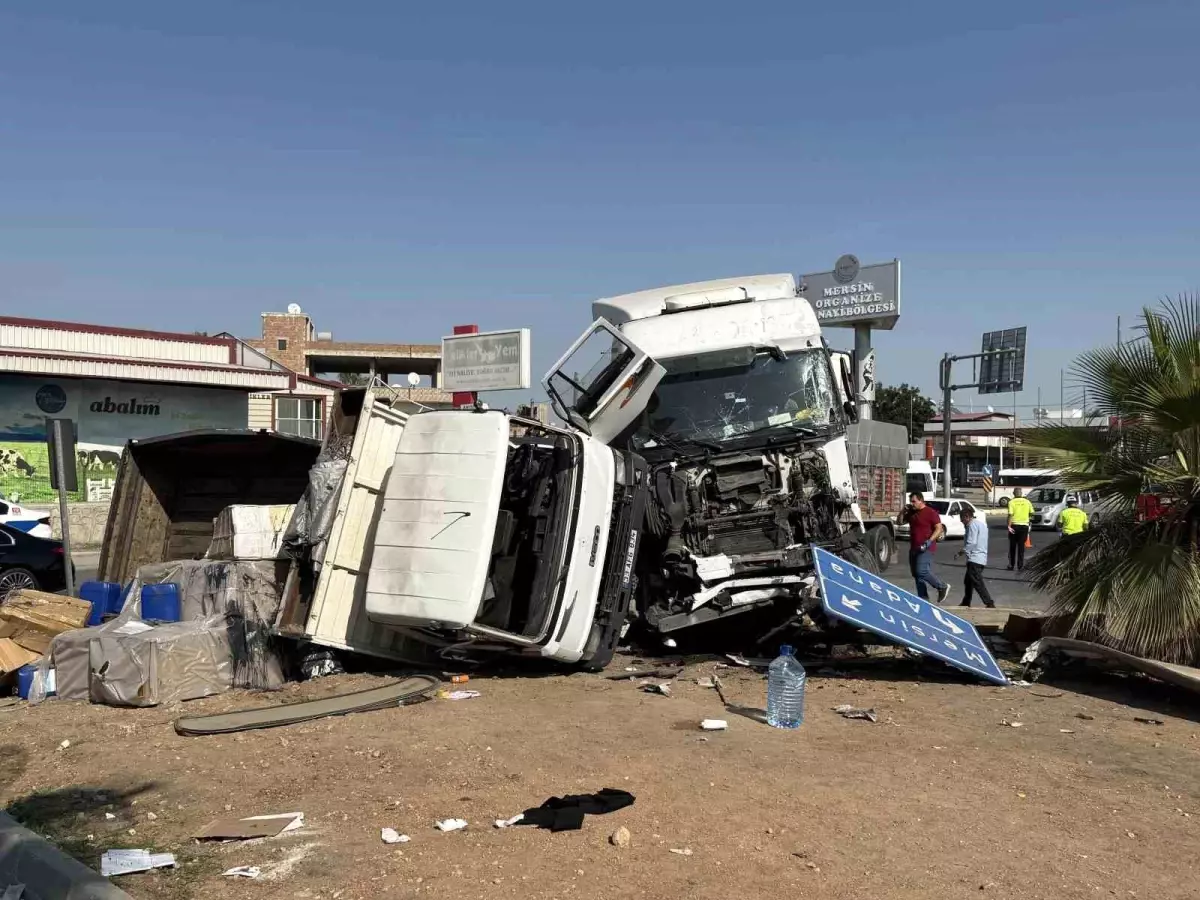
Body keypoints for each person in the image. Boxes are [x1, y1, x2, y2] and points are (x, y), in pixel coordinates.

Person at [901, 492, 950, 603]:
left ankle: (942, 586)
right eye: (911, 501)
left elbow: (939, 528)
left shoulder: (930, 513)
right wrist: (903, 511)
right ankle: (924, 599)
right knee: (917, 575)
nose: (912, 504)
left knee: (921, 571)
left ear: (921, 500)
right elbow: (899, 522)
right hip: (914, 548)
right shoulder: (912, 513)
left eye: (914, 501)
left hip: (926, 548)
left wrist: (929, 541)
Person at [954, 506, 995, 608]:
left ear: (967, 517)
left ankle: (989, 603)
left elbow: (971, 543)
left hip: (975, 558)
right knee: (968, 581)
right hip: (981, 557)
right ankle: (966, 602)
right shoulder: (981, 524)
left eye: (962, 519)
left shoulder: (971, 525)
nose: (961, 521)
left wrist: (960, 552)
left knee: (977, 582)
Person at [1006, 488, 1034, 571]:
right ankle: (1020, 565)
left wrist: (1008, 526)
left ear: (1013, 493)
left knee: (1012, 546)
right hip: (1024, 526)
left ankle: (1011, 565)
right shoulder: (1027, 502)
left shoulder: (1011, 502)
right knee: (1021, 547)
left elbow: (1010, 515)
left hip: (1014, 526)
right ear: (1021, 493)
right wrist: (1028, 519)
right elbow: (1032, 513)